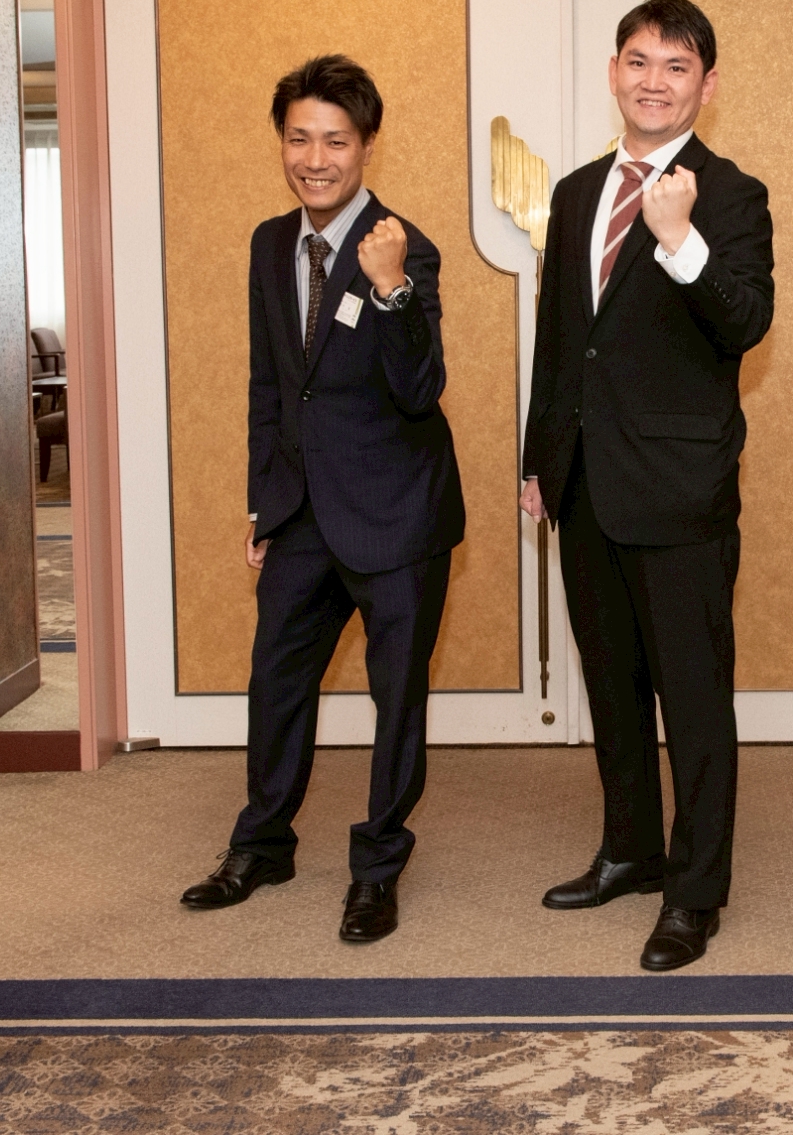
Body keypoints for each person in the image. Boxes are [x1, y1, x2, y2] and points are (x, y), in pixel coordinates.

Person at [181, 54, 464, 945]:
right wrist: (264, 503)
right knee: (276, 680)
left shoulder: (403, 245)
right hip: (302, 508)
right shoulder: (271, 244)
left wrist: (391, 289)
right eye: (299, 138)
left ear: (366, 145)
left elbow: (421, 389)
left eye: (335, 141)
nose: (315, 158)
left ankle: (377, 868)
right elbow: (271, 384)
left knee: (396, 699)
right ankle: (262, 843)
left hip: (396, 511)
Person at [521, 0, 775, 972]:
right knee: (612, 688)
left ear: (707, 84)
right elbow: (561, 341)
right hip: (585, 483)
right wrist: (541, 461)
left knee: (694, 703)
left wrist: (680, 241)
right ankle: (628, 850)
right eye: (638, 61)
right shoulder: (577, 191)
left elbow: (743, 321)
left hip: (679, 488)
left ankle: (693, 891)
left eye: (676, 66)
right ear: (613, 72)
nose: (653, 81)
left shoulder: (731, 195)